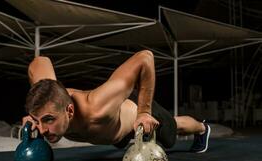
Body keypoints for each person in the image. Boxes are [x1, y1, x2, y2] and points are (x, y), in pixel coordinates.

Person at [22, 50, 211, 153]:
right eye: (38, 120)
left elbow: (145, 58)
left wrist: (144, 112)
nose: (43, 129)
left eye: (48, 120)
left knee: (173, 129)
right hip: (112, 131)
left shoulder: (97, 107)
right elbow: (40, 60)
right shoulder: (49, 96)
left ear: (69, 111)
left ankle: (202, 129)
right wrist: (35, 119)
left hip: (133, 113)